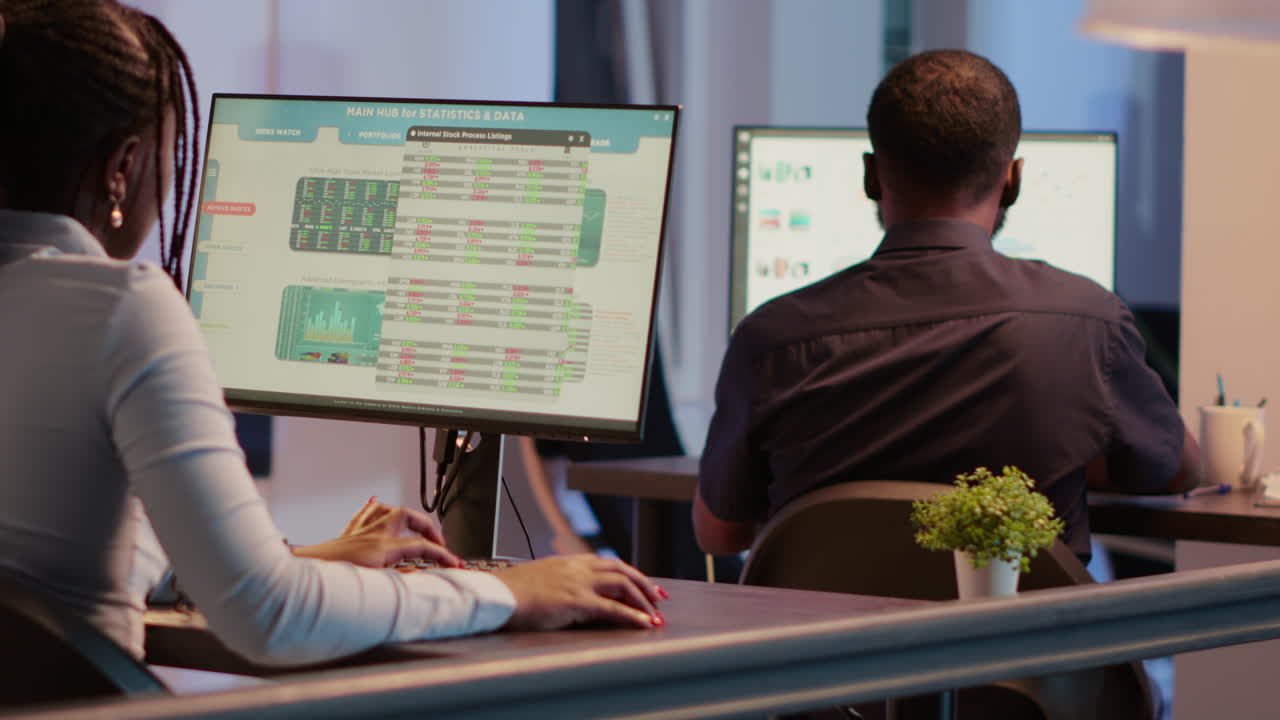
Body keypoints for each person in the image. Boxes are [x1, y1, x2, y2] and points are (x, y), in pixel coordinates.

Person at [0, 0, 663, 668]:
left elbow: (52, 548)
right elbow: (268, 616)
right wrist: (496, 591)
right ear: (124, 166)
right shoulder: (121, 308)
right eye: (172, 159)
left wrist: (298, 560)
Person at [695, 49, 1201, 561]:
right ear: (1014, 180)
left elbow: (721, 535)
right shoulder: (1091, 321)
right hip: (1018, 641)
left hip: (825, 640)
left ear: (871, 178)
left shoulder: (770, 337)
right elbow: (1178, 469)